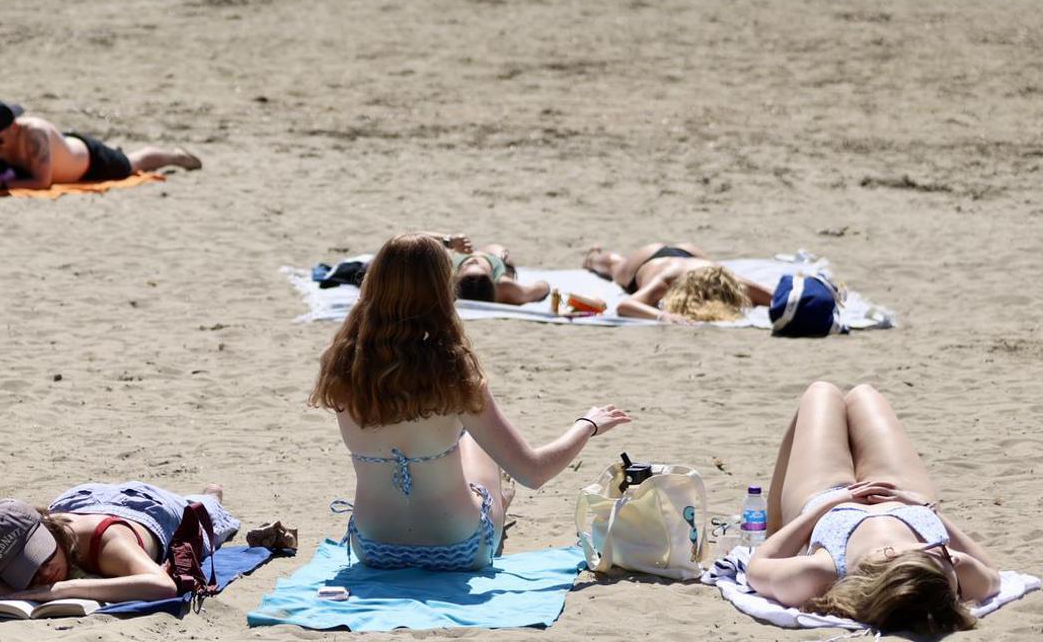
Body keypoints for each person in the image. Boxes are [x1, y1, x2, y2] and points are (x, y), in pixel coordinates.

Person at [310, 234, 630, 570]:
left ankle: (492, 492)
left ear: (372, 284)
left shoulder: (338, 364)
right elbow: (534, 472)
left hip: (372, 549)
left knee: (449, 440)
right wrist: (587, 425)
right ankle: (498, 498)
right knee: (471, 440)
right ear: (443, 292)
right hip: (460, 550)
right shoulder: (452, 371)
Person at [746, 382, 1000, 633]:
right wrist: (927, 511)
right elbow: (992, 574)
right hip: (904, 495)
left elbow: (757, 567)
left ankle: (774, 526)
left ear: (890, 554)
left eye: (940, 554)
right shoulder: (947, 575)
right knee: (863, 394)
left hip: (827, 497)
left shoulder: (822, 571)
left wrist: (825, 507)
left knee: (821, 392)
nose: (951, 554)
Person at [0, 481, 237, 606]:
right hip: (79, 499)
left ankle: (211, 492)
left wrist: (61, 590)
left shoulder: (108, 542)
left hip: (147, 506)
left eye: (42, 556)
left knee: (208, 513)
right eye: (27, 570)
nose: (44, 573)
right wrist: (20, 591)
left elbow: (162, 586)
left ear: (47, 527)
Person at [0, 100, 200, 191]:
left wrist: (0, 183)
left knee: (132, 163)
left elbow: (42, 182)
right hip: (65, 150)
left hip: (90, 161)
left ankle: (176, 157)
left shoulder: (34, 135)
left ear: (14, 128)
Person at [583, 241, 772, 323]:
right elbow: (625, 305)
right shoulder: (665, 283)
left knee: (616, 264)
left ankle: (595, 256)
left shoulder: (723, 280)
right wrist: (661, 316)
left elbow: (773, 297)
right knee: (613, 265)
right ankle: (593, 257)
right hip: (649, 260)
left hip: (691, 256)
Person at [423, 232, 547, 305]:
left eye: (469, 265)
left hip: (456, 256)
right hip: (495, 255)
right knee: (498, 250)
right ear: (491, 278)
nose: (474, 259)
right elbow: (542, 288)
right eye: (481, 267)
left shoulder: (445, 275)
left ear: (456, 277)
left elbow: (413, 238)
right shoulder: (504, 287)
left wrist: (448, 240)